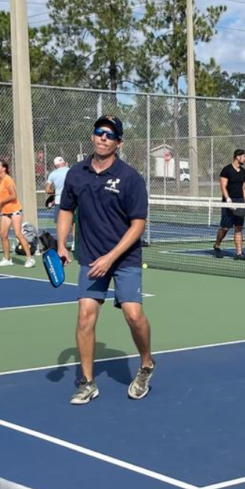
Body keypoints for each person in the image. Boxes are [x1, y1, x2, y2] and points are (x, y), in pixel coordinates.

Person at [56, 115, 156, 404]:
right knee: (85, 316)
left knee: (133, 316)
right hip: (90, 256)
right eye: (99, 132)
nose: (102, 138)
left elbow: (138, 225)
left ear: (119, 143)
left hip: (124, 258)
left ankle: (147, 363)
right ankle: (87, 382)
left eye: (109, 135)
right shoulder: (77, 173)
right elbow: (65, 210)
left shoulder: (130, 178)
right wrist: (62, 244)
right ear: (92, 137)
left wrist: (110, 257)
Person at [0, 159, 35, 268]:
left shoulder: (7, 179)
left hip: (15, 210)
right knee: (2, 234)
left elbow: (14, 195)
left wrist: (0, 202)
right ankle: (7, 259)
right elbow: (3, 197)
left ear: (4, 168)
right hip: (5, 211)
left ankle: (30, 258)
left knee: (18, 234)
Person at [212, 149, 245, 261]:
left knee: (238, 228)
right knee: (225, 227)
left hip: (239, 202)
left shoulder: (243, 172)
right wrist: (228, 199)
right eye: (244, 156)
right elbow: (223, 186)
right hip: (228, 201)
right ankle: (217, 246)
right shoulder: (226, 170)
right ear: (238, 157)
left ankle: (239, 253)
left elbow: (244, 187)